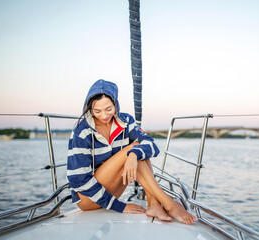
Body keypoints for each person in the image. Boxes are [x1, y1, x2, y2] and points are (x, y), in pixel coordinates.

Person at [67, 79, 198, 225]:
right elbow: (78, 180)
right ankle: (169, 204)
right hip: (88, 198)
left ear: (116, 104)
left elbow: (151, 145)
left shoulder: (125, 121)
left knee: (137, 151)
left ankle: (153, 203)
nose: (104, 115)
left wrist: (133, 155)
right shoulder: (81, 131)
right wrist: (119, 207)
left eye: (109, 109)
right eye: (97, 111)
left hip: (112, 190)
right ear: (90, 108)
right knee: (132, 147)